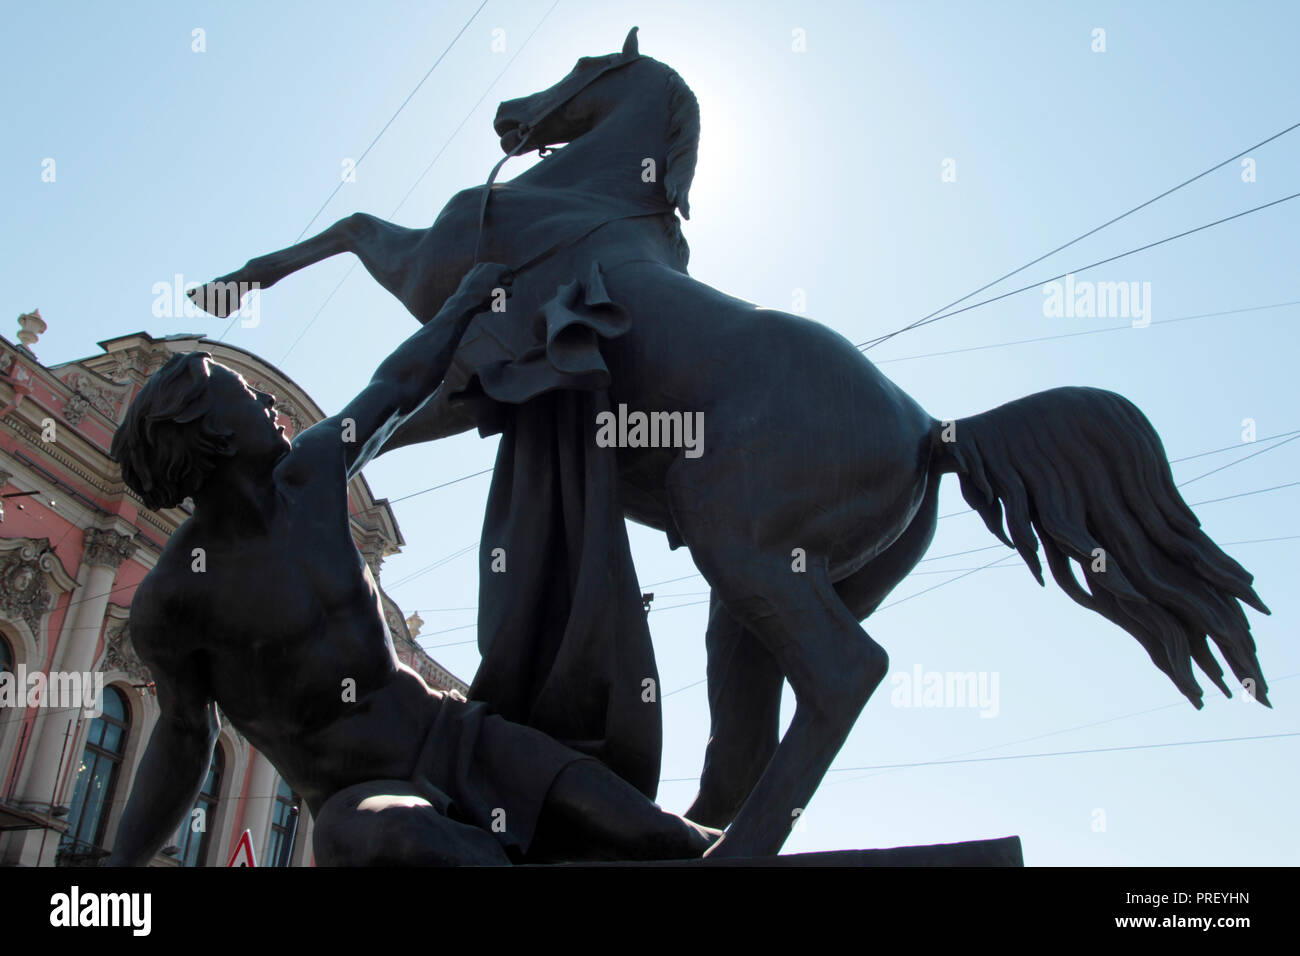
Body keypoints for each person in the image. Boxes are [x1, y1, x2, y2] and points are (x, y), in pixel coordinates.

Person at [106, 262, 717, 865]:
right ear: (209, 429)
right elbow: (184, 738)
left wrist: (466, 300)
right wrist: (120, 872)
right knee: (387, 842)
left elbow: (393, 389)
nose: (268, 399)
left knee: (660, 836)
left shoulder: (311, 477)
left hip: (457, 737)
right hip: (358, 796)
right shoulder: (173, 600)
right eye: (244, 395)